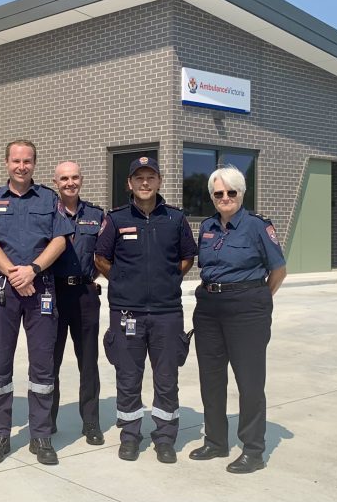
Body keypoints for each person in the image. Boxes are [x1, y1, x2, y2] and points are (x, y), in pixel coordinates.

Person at [0, 139, 73, 466]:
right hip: (4, 288)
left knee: (42, 364)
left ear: (34, 163)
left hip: (40, 286)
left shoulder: (49, 198)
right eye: (16, 160)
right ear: (6, 163)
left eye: (27, 161)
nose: (21, 166)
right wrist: (12, 272)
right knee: (0, 362)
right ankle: (0, 434)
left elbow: (60, 239)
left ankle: (40, 435)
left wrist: (32, 270)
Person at [95, 156, 196, 464]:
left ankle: (165, 438)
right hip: (127, 312)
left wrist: (166, 280)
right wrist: (125, 282)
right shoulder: (116, 219)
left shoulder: (175, 219)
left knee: (166, 378)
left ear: (159, 181)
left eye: (150, 177)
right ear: (130, 183)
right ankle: (130, 436)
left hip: (167, 313)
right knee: (128, 376)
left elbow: (187, 257)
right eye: (138, 178)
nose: (144, 183)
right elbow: (101, 258)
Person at [189, 165, 286, 474]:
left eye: (231, 192)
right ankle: (216, 441)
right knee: (211, 378)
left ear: (241, 194)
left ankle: (253, 450)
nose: (225, 197)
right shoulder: (207, 226)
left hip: (247, 307)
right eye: (219, 193)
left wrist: (258, 301)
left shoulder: (257, 226)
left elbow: (279, 270)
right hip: (208, 307)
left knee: (250, 381)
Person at [50, 161, 104, 445]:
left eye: (74, 177)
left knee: (89, 362)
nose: (70, 182)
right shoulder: (47, 212)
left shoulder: (96, 215)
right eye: (64, 178)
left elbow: (106, 253)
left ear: (81, 180)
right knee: (50, 361)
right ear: (56, 181)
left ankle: (91, 422)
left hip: (84, 295)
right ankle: (47, 420)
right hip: (53, 295)